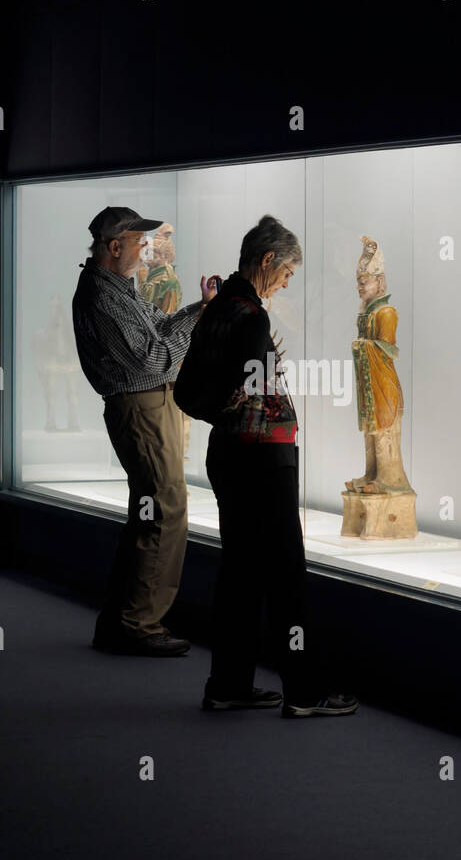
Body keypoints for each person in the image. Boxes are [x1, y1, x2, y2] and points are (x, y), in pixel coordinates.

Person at [176, 214, 358, 717]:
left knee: (240, 572)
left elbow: (191, 391)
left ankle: (229, 684)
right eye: (287, 272)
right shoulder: (251, 318)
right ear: (267, 261)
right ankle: (304, 691)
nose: (286, 281)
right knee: (286, 575)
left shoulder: (218, 309)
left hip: (229, 454)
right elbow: (249, 392)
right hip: (261, 459)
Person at [72, 205, 219, 657]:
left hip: (150, 405)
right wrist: (197, 322)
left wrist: (200, 310)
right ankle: (137, 623)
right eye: (140, 242)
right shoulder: (102, 296)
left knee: (153, 508)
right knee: (165, 506)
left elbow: (159, 329)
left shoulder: (118, 287)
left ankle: (126, 619)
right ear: (114, 247)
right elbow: (154, 359)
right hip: (140, 408)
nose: (147, 249)